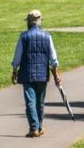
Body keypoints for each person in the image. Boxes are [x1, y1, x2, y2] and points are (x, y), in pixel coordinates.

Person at [11, 9, 61, 138]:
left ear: (28, 22)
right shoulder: (47, 36)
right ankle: (39, 126)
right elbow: (53, 57)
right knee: (40, 102)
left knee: (30, 101)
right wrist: (56, 74)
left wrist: (14, 70)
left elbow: (17, 56)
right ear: (39, 21)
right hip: (42, 74)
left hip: (27, 73)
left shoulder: (23, 36)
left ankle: (34, 128)